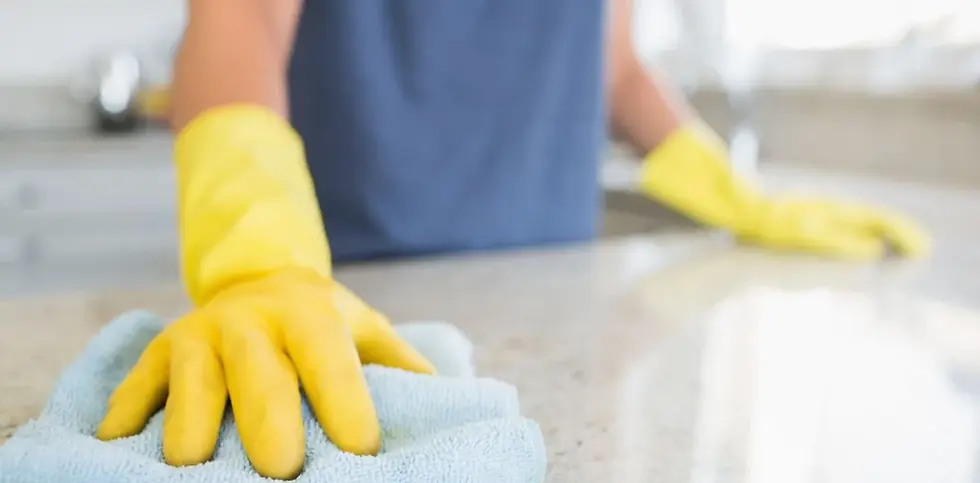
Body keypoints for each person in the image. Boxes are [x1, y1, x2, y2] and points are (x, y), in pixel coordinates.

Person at [95, 0, 930, 479]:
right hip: (349, 305)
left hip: (559, 293)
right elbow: (239, 22)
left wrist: (736, 197)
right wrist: (261, 256)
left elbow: (616, 66)